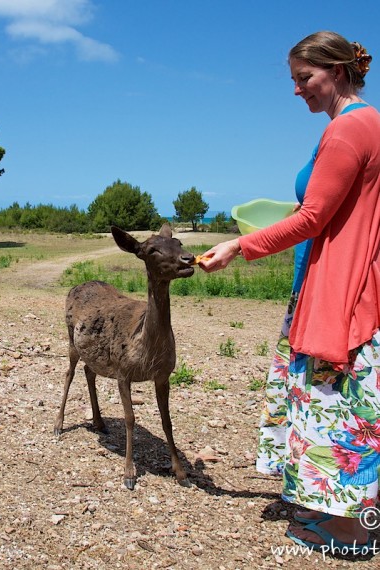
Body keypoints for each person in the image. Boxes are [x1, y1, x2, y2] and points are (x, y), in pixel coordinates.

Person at [201, 30, 380, 555]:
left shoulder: (348, 130)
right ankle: (334, 506)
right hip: (346, 273)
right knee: (346, 400)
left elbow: (315, 216)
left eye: (305, 78)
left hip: (341, 283)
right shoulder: (367, 124)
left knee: (340, 401)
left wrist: (240, 245)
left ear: (339, 73)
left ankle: (352, 530)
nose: (297, 90)